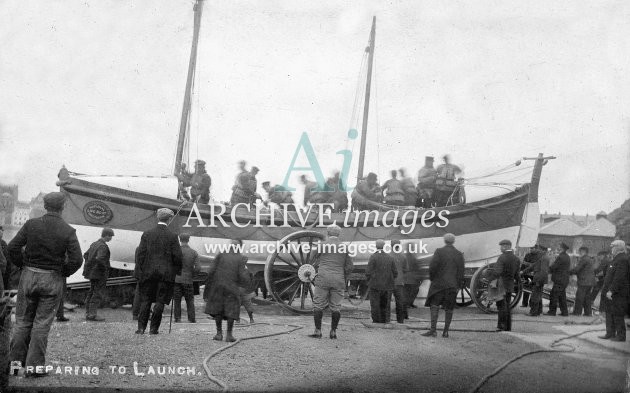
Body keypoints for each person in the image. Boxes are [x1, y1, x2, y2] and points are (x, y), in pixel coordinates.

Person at [8, 192, 83, 376]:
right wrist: (62, 272)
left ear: (45, 205)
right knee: (41, 324)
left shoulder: (31, 224)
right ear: (63, 207)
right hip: (52, 278)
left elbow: (12, 248)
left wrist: (24, 264)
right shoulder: (68, 230)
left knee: (23, 322)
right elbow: (77, 259)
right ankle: (34, 369)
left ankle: (14, 366)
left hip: (29, 276)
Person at [135, 208, 183, 335]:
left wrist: (141, 270)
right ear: (169, 219)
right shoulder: (173, 236)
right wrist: (177, 271)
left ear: (158, 218)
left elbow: (140, 255)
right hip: (165, 275)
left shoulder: (147, 234)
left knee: (146, 300)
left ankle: (141, 328)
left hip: (148, 274)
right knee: (160, 301)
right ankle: (154, 329)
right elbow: (177, 256)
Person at [309, 225, 353, 339]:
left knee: (318, 304)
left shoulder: (322, 245)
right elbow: (349, 266)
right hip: (338, 280)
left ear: (328, 233)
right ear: (339, 234)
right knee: (336, 306)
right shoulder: (344, 247)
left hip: (323, 278)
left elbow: (311, 259)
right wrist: (343, 276)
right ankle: (333, 332)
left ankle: (318, 331)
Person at [204, 239, 250, 342]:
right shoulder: (240, 258)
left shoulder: (221, 255)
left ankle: (219, 334)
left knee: (218, 310)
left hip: (218, 287)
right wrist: (245, 283)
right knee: (231, 310)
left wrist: (210, 285)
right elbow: (243, 275)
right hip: (232, 288)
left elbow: (211, 271)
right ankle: (229, 335)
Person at [422, 233, 465, 338]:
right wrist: (457, 285)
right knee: (449, 308)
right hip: (452, 285)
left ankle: (433, 330)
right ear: (453, 241)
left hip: (439, 285)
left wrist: (433, 279)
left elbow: (432, 267)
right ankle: (445, 332)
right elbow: (461, 272)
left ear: (444, 241)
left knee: (434, 306)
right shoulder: (459, 254)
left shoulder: (439, 251)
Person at [484, 240, 521, 331]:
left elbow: (498, 272)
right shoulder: (516, 259)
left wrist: (489, 278)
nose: (500, 248)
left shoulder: (502, 258)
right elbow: (516, 274)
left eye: (501, 246)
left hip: (501, 286)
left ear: (506, 246)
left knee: (501, 306)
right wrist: (519, 282)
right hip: (509, 285)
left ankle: (501, 326)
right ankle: (508, 327)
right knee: (507, 305)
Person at [599, 240, 629, 342]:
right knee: (610, 312)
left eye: (613, 247)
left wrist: (611, 290)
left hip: (618, 293)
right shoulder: (616, 259)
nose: (611, 249)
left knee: (617, 313)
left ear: (618, 248)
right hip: (611, 291)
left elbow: (619, 277)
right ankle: (610, 333)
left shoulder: (622, 259)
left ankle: (621, 336)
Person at [82, 228, 115, 322]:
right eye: (111, 236)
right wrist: (104, 268)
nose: (111, 238)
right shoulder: (103, 246)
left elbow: (85, 255)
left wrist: (90, 265)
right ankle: (92, 315)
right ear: (107, 235)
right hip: (99, 274)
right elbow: (100, 259)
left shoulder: (94, 243)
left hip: (92, 273)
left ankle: (88, 313)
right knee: (97, 293)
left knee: (91, 291)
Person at [366, 239, 397, 324]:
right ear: (384, 246)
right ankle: (384, 320)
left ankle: (376, 320)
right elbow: (395, 272)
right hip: (387, 285)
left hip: (375, 285)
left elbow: (368, 272)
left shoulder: (373, 257)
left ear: (376, 246)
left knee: (375, 304)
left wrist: (369, 280)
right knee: (385, 304)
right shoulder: (390, 257)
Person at [173, 234, 200, 323]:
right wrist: (192, 275)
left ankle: (177, 318)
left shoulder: (176, 251)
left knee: (177, 301)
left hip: (177, 279)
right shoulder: (193, 252)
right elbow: (198, 268)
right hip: (188, 279)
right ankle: (191, 318)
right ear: (188, 240)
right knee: (190, 300)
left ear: (180, 240)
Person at [569, 246, 596, 316]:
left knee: (579, 297)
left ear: (583, 251)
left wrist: (568, 272)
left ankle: (577, 312)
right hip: (590, 282)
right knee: (587, 298)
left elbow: (577, 269)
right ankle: (588, 313)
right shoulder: (589, 259)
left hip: (584, 281)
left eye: (580, 251)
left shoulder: (583, 259)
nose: (579, 252)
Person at [524, 245, 549, 316]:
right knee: (538, 295)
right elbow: (533, 266)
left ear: (543, 250)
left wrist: (539, 281)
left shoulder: (544, 258)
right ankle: (538, 311)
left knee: (535, 296)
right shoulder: (541, 257)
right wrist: (523, 271)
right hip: (538, 278)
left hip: (539, 279)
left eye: (540, 249)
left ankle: (533, 312)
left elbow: (544, 271)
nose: (538, 251)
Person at [547, 242, 571, 316]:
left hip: (559, 280)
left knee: (553, 295)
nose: (558, 248)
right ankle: (565, 312)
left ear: (562, 248)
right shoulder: (566, 256)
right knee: (562, 297)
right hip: (564, 280)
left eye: (559, 247)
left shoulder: (561, 257)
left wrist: (547, 270)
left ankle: (552, 312)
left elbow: (554, 266)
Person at [389, 240, 407, 323]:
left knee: (387, 302)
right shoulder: (403, 256)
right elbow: (406, 269)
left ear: (391, 245)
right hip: (399, 282)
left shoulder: (388, 256)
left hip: (389, 282)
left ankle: (386, 319)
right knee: (400, 302)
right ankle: (400, 320)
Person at [403, 243, 422, 310]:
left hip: (406, 277)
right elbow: (416, 267)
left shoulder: (405, 256)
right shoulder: (412, 256)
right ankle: (409, 303)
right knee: (414, 290)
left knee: (408, 291)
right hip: (412, 277)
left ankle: (408, 303)